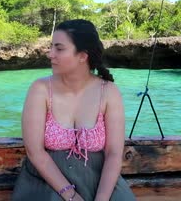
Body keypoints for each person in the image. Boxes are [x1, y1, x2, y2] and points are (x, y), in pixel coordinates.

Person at [12, 19, 135, 201]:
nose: (50, 54)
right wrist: (70, 195)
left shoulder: (108, 92)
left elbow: (114, 154)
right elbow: (35, 152)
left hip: (100, 182)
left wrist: (101, 198)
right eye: (51, 47)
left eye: (59, 49)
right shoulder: (40, 89)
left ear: (82, 56)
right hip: (48, 181)